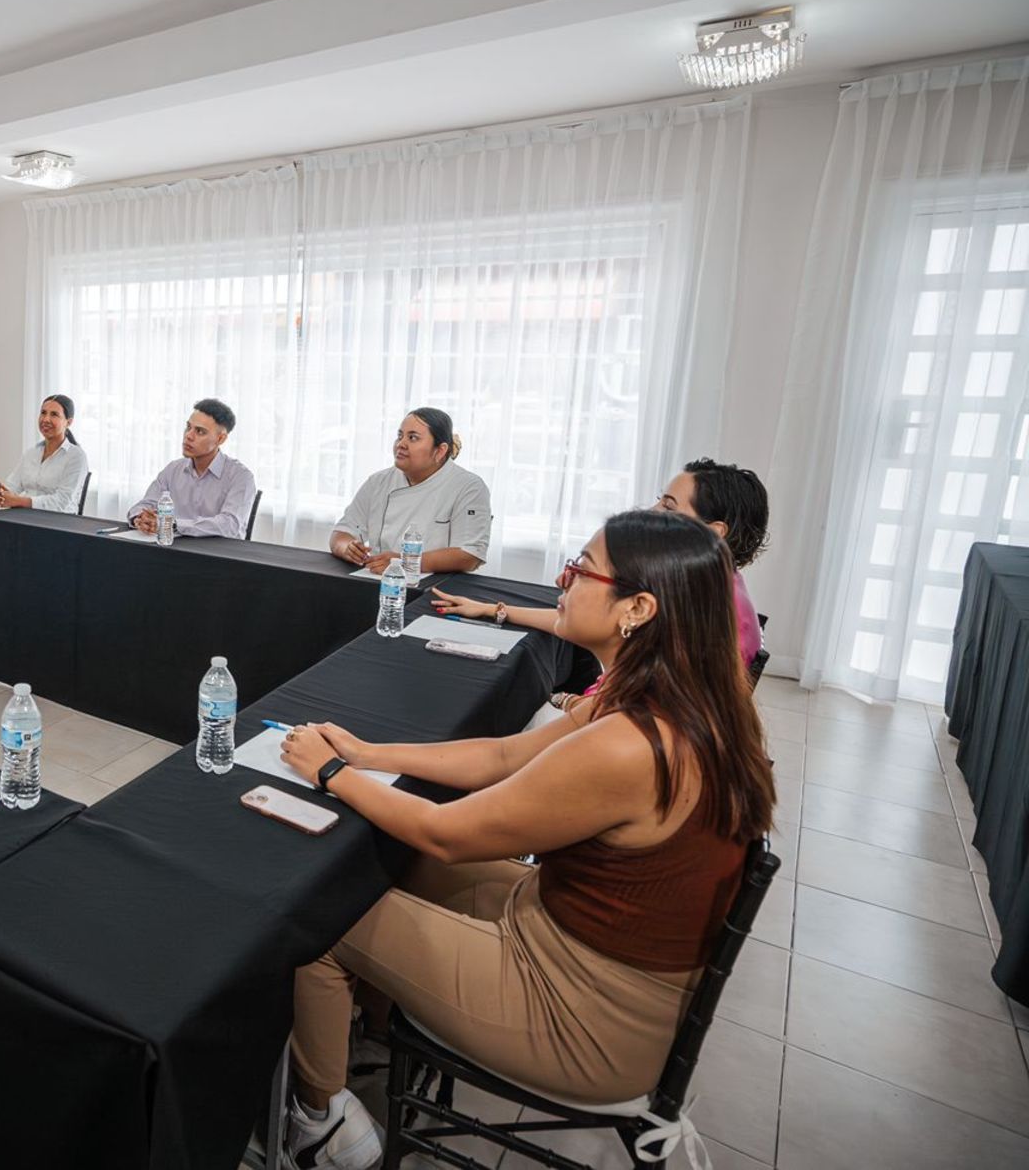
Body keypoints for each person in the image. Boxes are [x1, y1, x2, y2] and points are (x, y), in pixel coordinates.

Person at [278, 511, 775, 1168]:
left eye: (581, 570)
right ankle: (372, 1028)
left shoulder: (631, 743)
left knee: (319, 911)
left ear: (638, 609)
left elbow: (447, 833)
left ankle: (319, 1123)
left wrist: (331, 773)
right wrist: (367, 753)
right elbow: (504, 756)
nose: (563, 581)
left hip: (583, 1019)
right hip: (571, 938)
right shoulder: (669, 697)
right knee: (390, 859)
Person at [432, 458, 770, 693]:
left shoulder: (691, 608)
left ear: (714, 532)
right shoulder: (713, 588)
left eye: (668, 507)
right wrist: (495, 610)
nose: (652, 512)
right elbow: (584, 620)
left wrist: (563, 702)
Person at [329, 408, 490, 576]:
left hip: (437, 585)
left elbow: (469, 555)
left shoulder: (469, 487)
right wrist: (347, 548)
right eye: (400, 436)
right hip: (381, 579)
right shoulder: (378, 482)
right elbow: (341, 533)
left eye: (413, 438)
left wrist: (403, 562)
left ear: (440, 451)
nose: (401, 444)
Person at [122, 398, 257, 539]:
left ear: (220, 439)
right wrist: (141, 518)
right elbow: (146, 504)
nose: (188, 436)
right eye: (188, 427)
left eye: (200, 431)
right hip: (173, 548)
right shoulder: (173, 469)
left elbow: (230, 525)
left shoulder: (241, 477)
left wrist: (172, 524)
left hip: (218, 552)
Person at [0, 394, 90, 512]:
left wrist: (18, 501)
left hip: (58, 520)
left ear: (68, 422)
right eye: (43, 413)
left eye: (54, 414)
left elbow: (61, 502)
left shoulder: (76, 456)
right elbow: (12, 486)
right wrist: (1, 495)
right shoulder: (31, 453)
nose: (46, 419)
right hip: (26, 516)